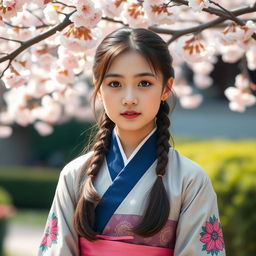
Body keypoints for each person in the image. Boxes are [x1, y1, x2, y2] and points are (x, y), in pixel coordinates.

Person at [38, 27, 226, 256]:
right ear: (98, 89)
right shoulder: (74, 175)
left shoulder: (190, 180)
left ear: (166, 88)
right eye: (115, 84)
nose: (129, 99)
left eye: (144, 83)